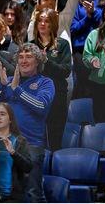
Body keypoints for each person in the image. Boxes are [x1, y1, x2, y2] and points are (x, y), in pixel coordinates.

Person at [0, 43, 54, 202]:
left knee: (32, 193)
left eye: (29, 57)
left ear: (37, 61)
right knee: (6, 193)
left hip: (31, 144)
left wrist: (17, 89)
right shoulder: (8, 81)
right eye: (21, 57)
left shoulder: (45, 83)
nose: (24, 61)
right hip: (6, 144)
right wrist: (3, 86)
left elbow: (41, 106)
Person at [31, 8, 71, 150]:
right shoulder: (31, 45)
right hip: (35, 96)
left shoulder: (62, 44)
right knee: (36, 138)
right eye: (40, 20)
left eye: (46, 21)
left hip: (56, 97)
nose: (42, 23)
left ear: (52, 24)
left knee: (55, 138)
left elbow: (66, 71)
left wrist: (47, 61)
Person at [71, 0, 105, 99]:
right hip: (80, 51)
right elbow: (73, 28)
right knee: (82, 87)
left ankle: (100, 119)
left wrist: (94, 13)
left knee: (99, 89)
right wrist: (87, 17)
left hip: (100, 50)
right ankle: (81, 119)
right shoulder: (78, 2)